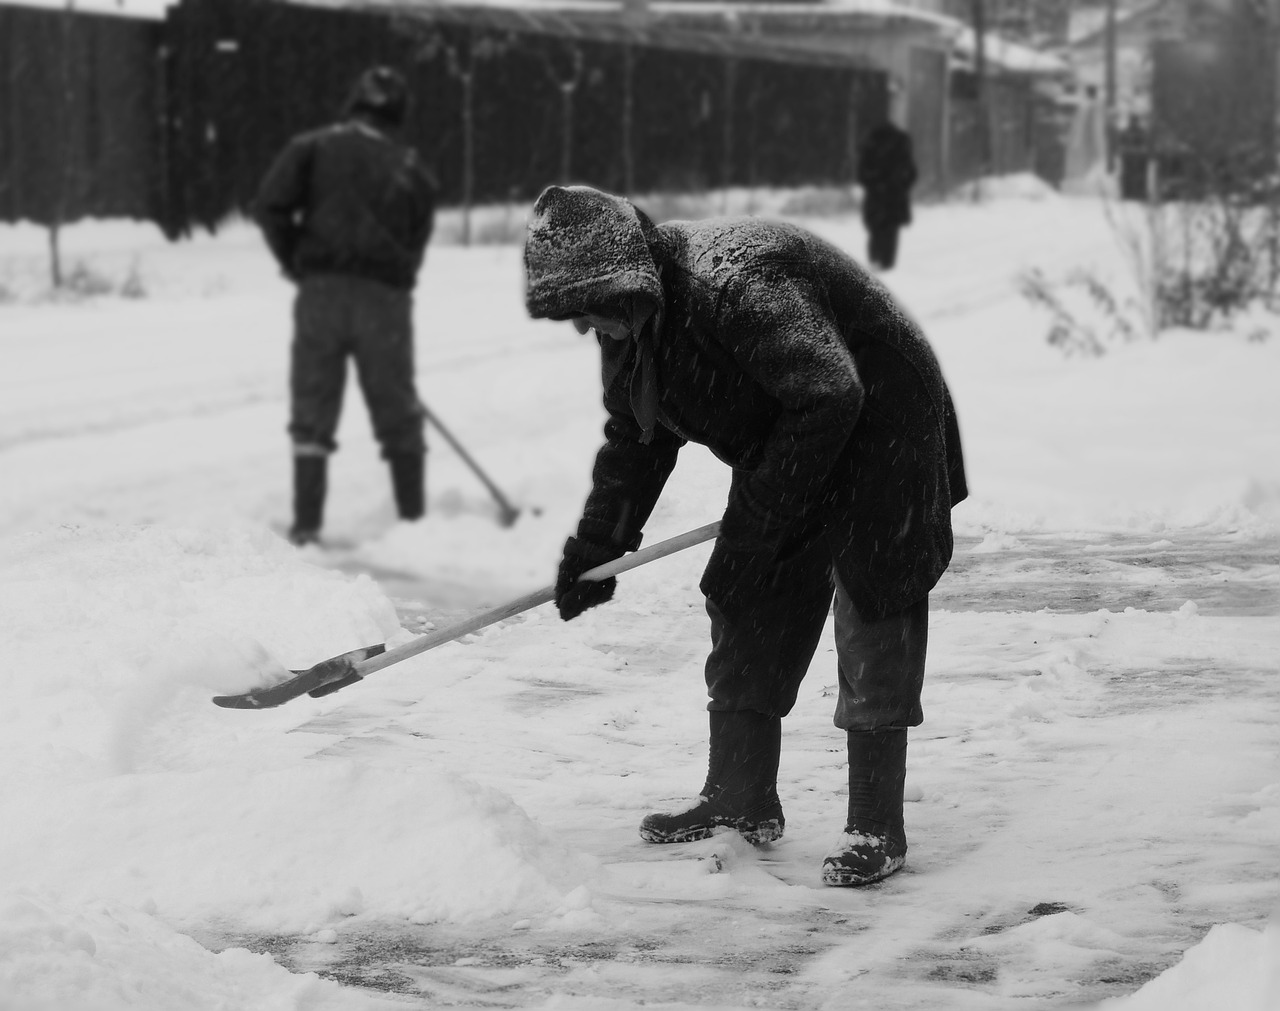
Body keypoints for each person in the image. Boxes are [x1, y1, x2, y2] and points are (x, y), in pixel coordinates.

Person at [523, 185, 966, 887]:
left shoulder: (737, 284)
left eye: (588, 308)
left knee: (874, 598)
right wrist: (597, 548)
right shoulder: (634, 329)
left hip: (884, 426)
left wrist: (758, 521)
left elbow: (832, 392)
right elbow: (636, 441)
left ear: (625, 279)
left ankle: (876, 823)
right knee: (746, 591)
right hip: (798, 433)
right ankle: (740, 794)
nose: (584, 328)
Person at [253, 66, 437, 546]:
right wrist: (395, 278)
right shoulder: (411, 168)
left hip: (322, 294)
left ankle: (307, 525)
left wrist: (297, 261)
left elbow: (270, 206)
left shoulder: (312, 148)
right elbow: (417, 236)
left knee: (312, 406)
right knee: (396, 408)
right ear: (398, 113)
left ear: (354, 103)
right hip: (385, 300)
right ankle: (415, 524)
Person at [857, 119, 918, 270]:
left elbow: (862, 173)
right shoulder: (901, 143)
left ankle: (875, 258)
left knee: (876, 228)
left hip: (876, 195)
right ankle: (886, 261)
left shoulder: (870, 144)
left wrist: (874, 183)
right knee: (890, 229)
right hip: (894, 196)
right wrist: (901, 185)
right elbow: (911, 172)